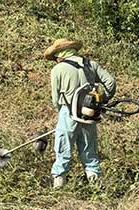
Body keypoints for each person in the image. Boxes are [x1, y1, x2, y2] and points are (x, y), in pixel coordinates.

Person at [44, 38, 116, 188]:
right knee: (89, 148)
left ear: (59, 54)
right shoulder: (91, 64)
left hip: (68, 111)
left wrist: (61, 111)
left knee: (63, 146)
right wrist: (102, 101)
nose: (55, 60)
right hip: (89, 112)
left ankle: (59, 184)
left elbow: (55, 98)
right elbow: (110, 82)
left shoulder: (57, 69)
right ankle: (95, 184)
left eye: (55, 58)